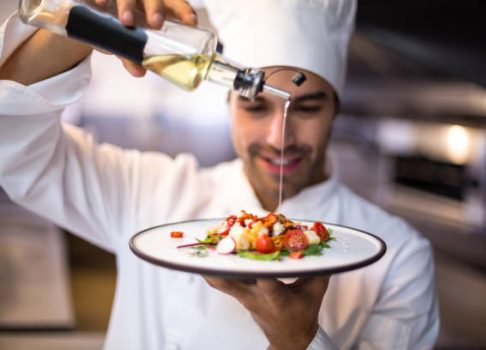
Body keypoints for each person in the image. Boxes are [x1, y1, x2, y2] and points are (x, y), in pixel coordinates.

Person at [0, 0, 439, 349]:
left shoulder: (398, 257)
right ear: (229, 104)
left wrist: (298, 343)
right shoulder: (151, 193)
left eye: (306, 108)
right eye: (254, 106)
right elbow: (11, 142)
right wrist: (88, 22)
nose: (279, 136)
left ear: (335, 111)